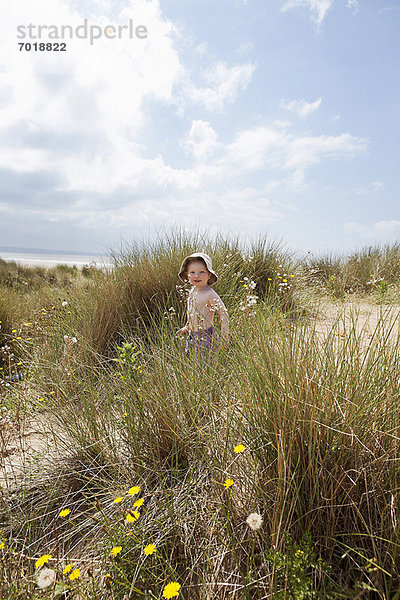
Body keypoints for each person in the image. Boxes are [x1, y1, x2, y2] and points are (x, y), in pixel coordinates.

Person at [176, 252, 229, 359]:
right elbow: (191, 312)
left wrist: (225, 338)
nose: (196, 275)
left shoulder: (209, 294)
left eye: (202, 272)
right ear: (187, 275)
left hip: (206, 337)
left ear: (209, 275)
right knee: (191, 363)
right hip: (192, 335)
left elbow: (224, 313)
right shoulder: (192, 291)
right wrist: (187, 327)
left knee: (204, 365)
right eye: (192, 272)